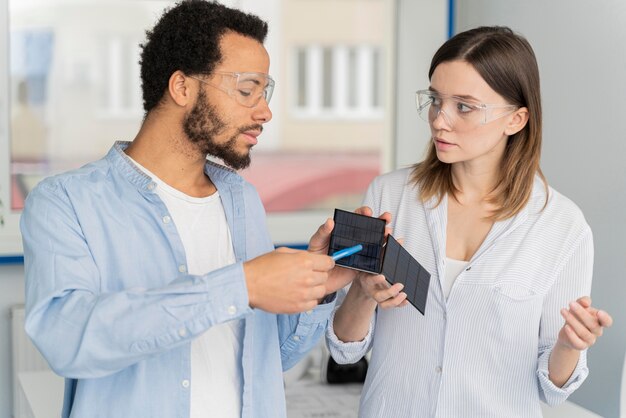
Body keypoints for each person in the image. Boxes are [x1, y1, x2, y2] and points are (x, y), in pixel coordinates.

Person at [20, 1, 353, 417]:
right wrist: (239, 287)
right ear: (182, 87)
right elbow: (66, 341)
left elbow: (269, 358)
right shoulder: (66, 201)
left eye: (265, 93)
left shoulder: (242, 199)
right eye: (247, 90)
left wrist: (317, 288)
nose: (264, 111)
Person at [326, 26, 613, 417]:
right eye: (435, 100)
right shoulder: (388, 196)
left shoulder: (561, 226)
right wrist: (360, 292)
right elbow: (345, 349)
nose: (439, 121)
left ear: (516, 119)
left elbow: (554, 391)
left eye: (464, 106)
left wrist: (568, 345)